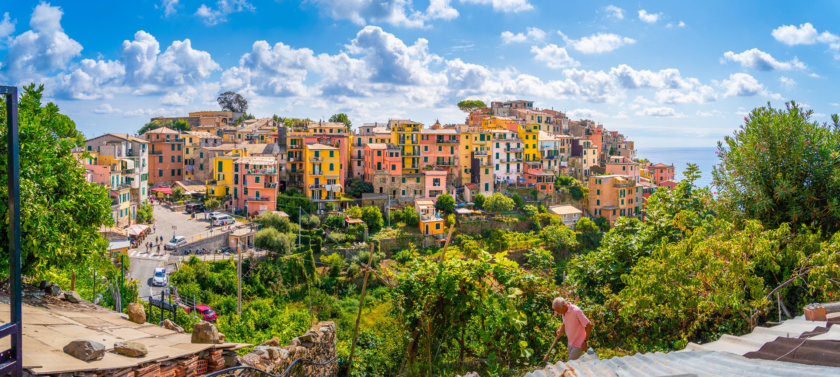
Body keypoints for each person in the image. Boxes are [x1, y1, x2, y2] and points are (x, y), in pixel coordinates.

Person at [552, 297, 593, 361]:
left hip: (579, 344)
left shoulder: (576, 311)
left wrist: (585, 341)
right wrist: (560, 330)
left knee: (570, 364)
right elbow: (565, 322)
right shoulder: (563, 312)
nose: (558, 313)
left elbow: (589, 325)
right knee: (576, 365)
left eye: (558, 311)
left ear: (564, 306)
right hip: (570, 343)